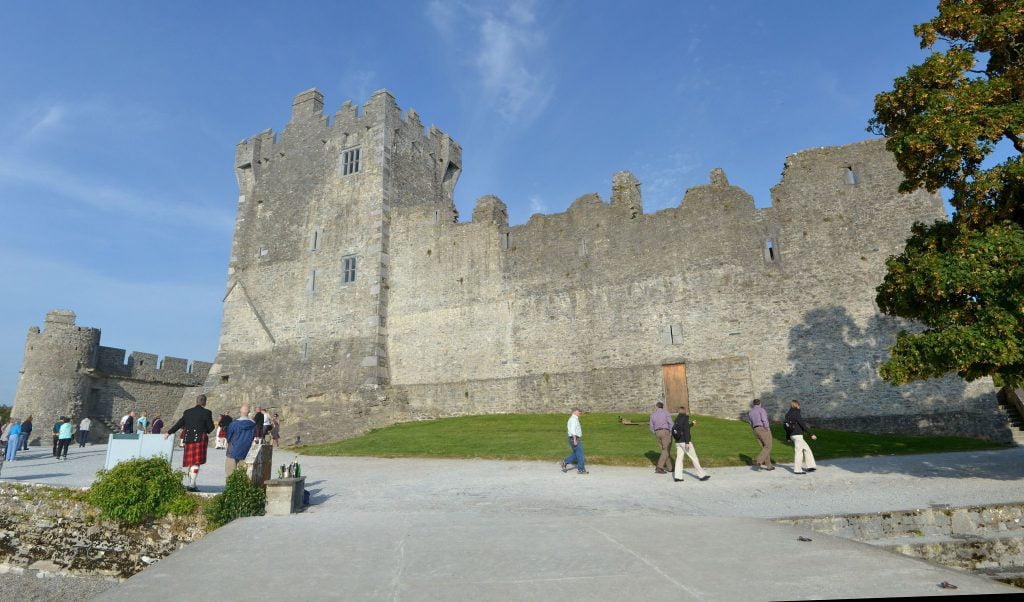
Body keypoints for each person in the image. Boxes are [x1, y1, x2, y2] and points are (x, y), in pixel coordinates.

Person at [164, 394, 215, 492]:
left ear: (196, 401)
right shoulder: (207, 412)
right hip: (200, 439)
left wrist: (169, 432)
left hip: (189, 438)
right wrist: (206, 430)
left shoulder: (187, 412)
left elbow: (179, 423)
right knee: (196, 462)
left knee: (191, 463)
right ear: (204, 402)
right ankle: (191, 485)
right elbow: (211, 427)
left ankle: (192, 483)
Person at [672, 412, 710, 482]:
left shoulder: (677, 420)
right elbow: (686, 431)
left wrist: (691, 424)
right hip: (685, 442)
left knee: (679, 459)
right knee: (694, 458)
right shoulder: (685, 419)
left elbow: (683, 429)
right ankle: (702, 475)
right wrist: (687, 442)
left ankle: (678, 476)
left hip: (678, 442)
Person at [785, 400, 817, 474]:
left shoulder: (787, 414)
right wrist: (811, 434)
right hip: (797, 435)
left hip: (792, 435)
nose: (800, 406)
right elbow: (803, 425)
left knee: (806, 449)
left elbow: (786, 426)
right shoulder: (796, 413)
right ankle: (797, 469)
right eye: (799, 405)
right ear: (797, 405)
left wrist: (788, 437)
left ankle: (811, 466)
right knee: (799, 452)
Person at [224, 404, 256, 477]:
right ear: (248, 413)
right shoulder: (253, 425)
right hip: (246, 450)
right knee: (243, 472)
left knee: (230, 472)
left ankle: (231, 487)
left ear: (240, 412)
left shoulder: (234, 424)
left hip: (233, 450)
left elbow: (228, 437)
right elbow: (253, 436)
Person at [747, 399, 775, 471]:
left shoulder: (750, 412)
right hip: (763, 428)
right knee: (768, 446)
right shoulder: (761, 410)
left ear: (753, 404)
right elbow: (764, 419)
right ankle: (758, 460)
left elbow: (750, 423)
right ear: (760, 403)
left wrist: (754, 430)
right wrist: (767, 428)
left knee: (764, 448)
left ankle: (769, 466)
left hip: (755, 429)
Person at [560, 408, 588, 475]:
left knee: (576, 453)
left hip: (574, 438)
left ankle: (565, 462)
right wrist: (575, 439)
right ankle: (581, 469)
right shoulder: (573, 419)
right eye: (579, 412)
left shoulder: (574, 419)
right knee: (580, 455)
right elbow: (572, 430)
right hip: (574, 438)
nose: (580, 413)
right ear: (575, 412)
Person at [649, 401, 674, 474]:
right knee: (666, 450)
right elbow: (671, 423)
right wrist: (670, 432)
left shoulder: (652, 415)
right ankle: (659, 467)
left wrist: (655, 432)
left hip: (657, 433)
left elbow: (651, 427)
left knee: (664, 451)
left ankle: (670, 467)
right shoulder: (666, 413)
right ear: (662, 406)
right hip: (665, 432)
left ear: (656, 406)